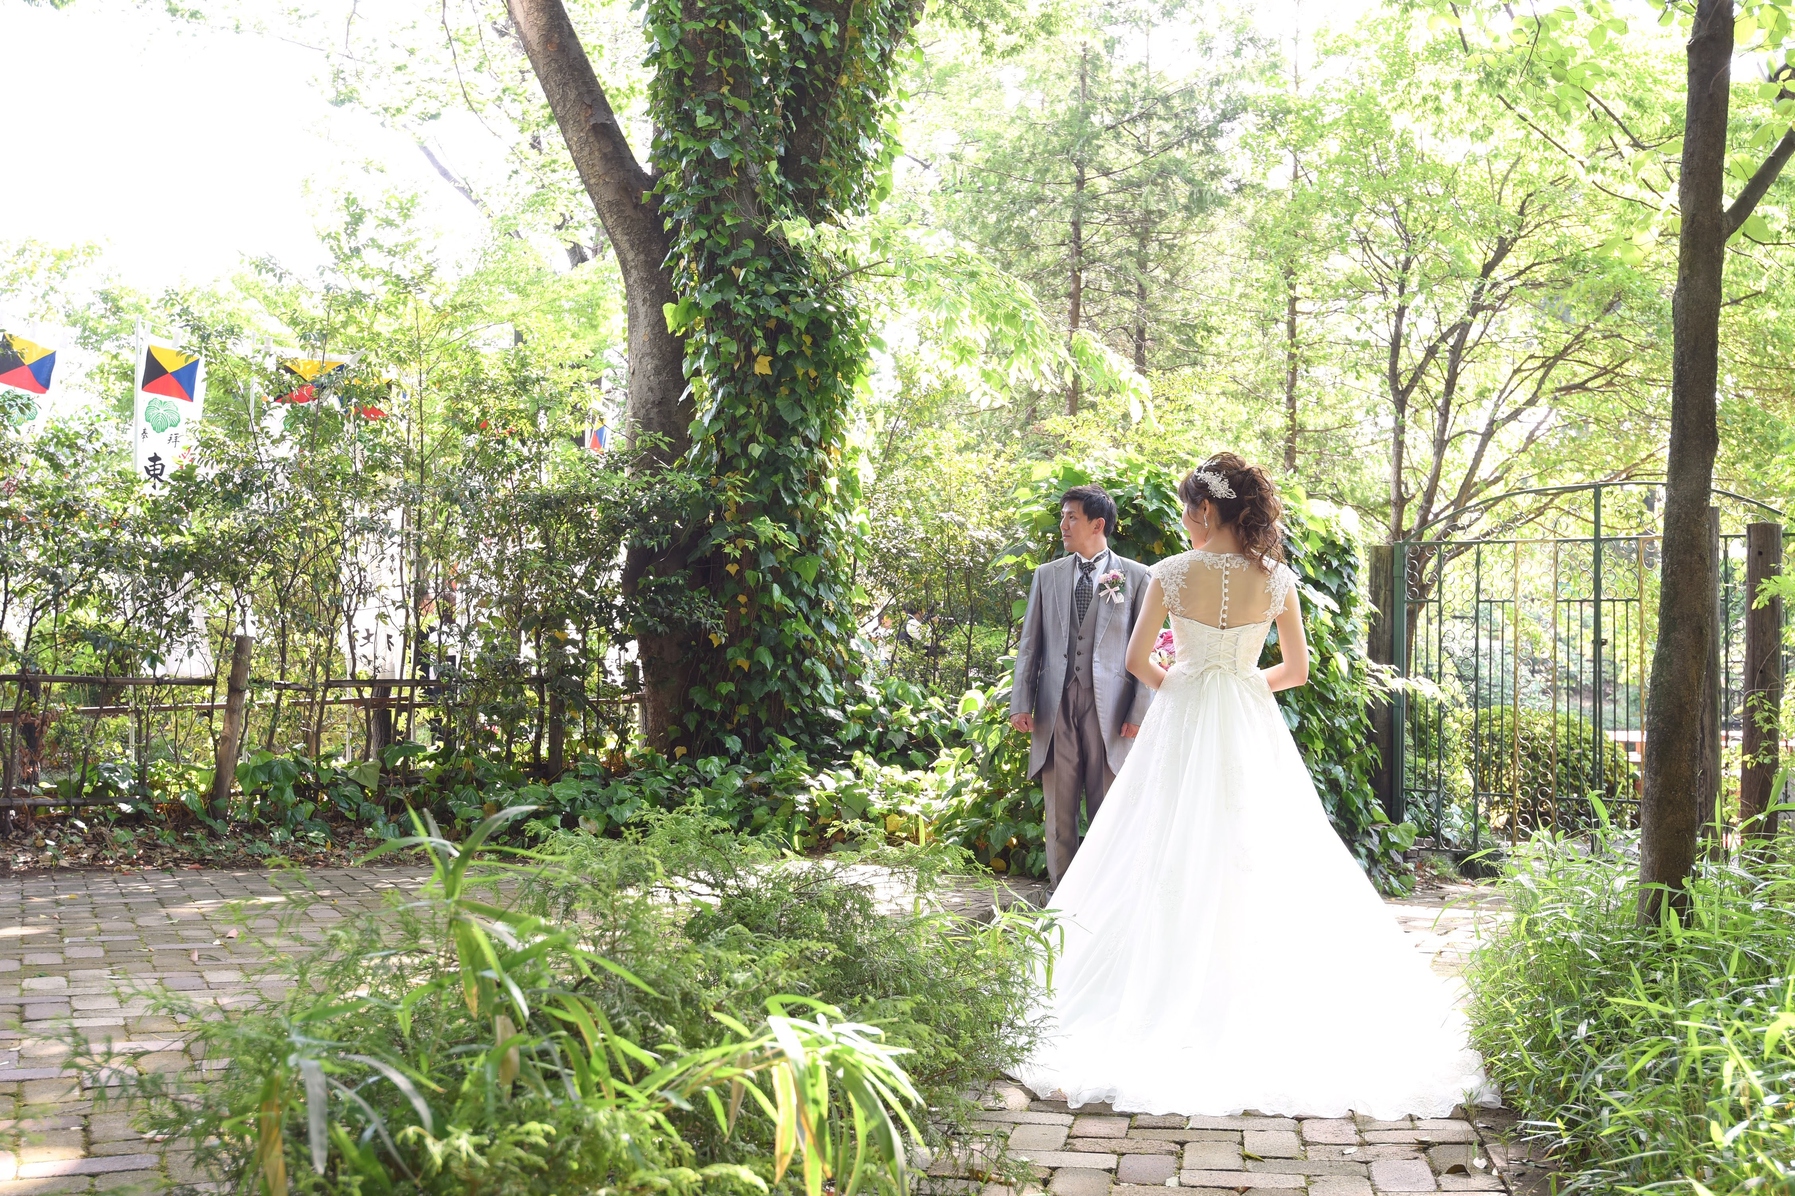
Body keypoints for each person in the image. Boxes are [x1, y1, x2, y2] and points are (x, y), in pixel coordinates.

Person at [1015, 454, 1490, 1119]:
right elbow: (1293, 670)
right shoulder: (1279, 581)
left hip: (1182, 724)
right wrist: (1238, 685)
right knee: (1261, 846)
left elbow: (1133, 661)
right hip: (1246, 721)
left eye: (1185, 511)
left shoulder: (1174, 575)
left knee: (1163, 843)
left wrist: (1182, 688)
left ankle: (1162, 982)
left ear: (1205, 512)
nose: (1183, 524)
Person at [1009, 485, 1154, 886]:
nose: (1063, 524)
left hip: (1111, 710)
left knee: (1108, 807)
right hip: (1055, 706)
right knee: (1058, 810)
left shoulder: (1138, 577)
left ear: (1098, 524)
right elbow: (1030, 644)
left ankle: (1104, 900)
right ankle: (1061, 899)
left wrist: (1138, 712)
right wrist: (1021, 702)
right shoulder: (1047, 575)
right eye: (1063, 516)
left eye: (1072, 516)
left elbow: (1150, 648)